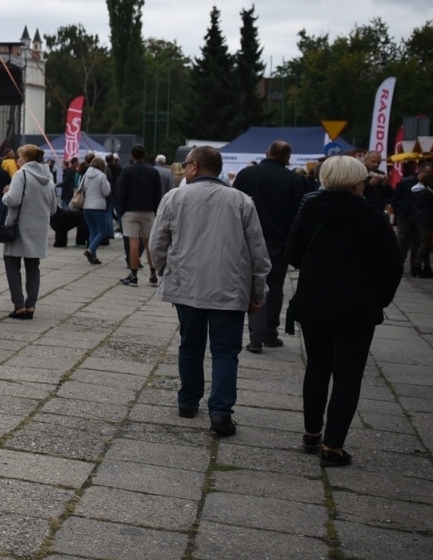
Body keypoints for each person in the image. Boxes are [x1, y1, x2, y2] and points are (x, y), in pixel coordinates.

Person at [286, 155, 403, 467]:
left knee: (317, 366)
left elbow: (293, 253)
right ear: (355, 183)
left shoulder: (310, 210)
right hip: (357, 307)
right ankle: (334, 447)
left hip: (314, 302)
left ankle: (312, 432)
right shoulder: (373, 217)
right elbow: (392, 266)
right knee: (348, 376)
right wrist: (380, 299)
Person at [148, 145, 270, 438]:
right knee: (226, 351)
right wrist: (258, 291)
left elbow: (157, 242)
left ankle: (188, 402)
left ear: (193, 166)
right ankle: (220, 412)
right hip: (229, 286)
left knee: (190, 344)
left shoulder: (176, 197)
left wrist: (165, 270)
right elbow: (257, 250)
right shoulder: (241, 200)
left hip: (187, 284)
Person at [233, 140, 308, 354]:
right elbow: (297, 214)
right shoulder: (294, 180)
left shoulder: (247, 174)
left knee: (251, 283)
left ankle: (255, 336)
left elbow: (234, 203)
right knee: (274, 286)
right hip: (278, 240)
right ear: (288, 158)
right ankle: (269, 333)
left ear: (267, 152)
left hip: (247, 239)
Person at [1, 144, 58, 319]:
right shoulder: (48, 179)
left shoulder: (21, 174)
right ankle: (31, 304)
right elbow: (53, 208)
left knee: (12, 263)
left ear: (25, 159)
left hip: (19, 228)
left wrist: (6, 193)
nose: (17, 160)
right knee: (33, 266)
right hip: (39, 229)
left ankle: (19, 305)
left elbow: (13, 200)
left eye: (19, 157)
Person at [115, 145, 165, 287]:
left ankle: (134, 274)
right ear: (145, 155)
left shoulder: (127, 171)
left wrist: (121, 209)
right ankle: (153, 273)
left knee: (133, 243)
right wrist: (155, 210)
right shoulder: (153, 172)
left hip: (130, 210)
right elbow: (158, 193)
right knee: (149, 244)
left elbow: (121, 192)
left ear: (132, 155)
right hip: (148, 211)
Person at [78, 155, 114, 265]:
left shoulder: (86, 175)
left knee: (92, 232)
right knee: (102, 232)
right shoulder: (102, 176)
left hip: (86, 207)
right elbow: (106, 192)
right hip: (98, 207)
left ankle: (93, 257)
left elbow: (80, 188)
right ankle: (90, 249)